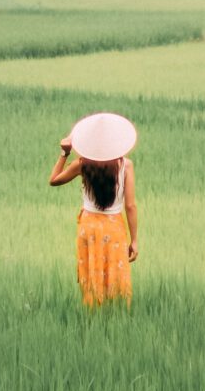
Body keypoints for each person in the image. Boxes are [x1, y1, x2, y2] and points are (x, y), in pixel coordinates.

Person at [49, 113, 138, 307]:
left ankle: (92, 313)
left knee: (93, 273)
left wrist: (64, 153)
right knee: (115, 274)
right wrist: (135, 240)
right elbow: (130, 206)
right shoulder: (126, 165)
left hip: (88, 228)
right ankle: (116, 314)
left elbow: (53, 181)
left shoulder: (82, 164)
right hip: (114, 229)